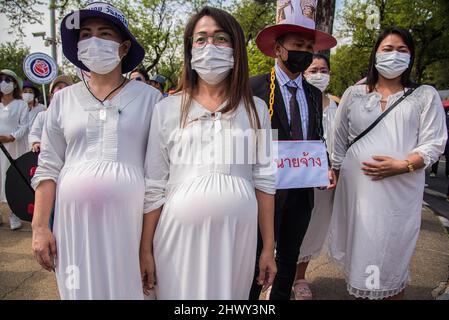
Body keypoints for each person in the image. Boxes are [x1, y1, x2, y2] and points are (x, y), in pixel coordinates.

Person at [140, 6, 277, 299]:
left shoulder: (258, 111)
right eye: (200, 39)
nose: (210, 46)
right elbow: (154, 185)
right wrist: (145, 249)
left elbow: (265, 183)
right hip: (177, 240)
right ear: (190, 50)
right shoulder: (165, 110)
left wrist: (268, 248)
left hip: (236, 241)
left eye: (220, 38)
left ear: (236, 48)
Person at [31, 2, 161, 299]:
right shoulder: (63, 100)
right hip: (74, 226)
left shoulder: (151, 100)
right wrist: (40, 227)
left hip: (130, 227)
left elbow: (158, 175)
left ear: (124, 47)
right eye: (86, 34)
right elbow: (48, 166)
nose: (94, 40)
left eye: (105, 34)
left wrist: (148, 244)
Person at [329, 27, 447, 300]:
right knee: (362, 250)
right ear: (375, 54)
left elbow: (434, 143)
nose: (394, 55)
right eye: (387, 49)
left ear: (411, 56)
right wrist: (333, 171)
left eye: (402, 50)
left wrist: (403, 165)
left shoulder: (424, 95)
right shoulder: (353, 93)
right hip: (356, 189)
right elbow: (338, 138)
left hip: (399, 190)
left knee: (391, 253)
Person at [249, 0, 337, 300]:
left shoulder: (313, 94)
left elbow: (316, 136)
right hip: (263, 192)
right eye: (298, 44)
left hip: (300, 192)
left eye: (309, 47)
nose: (304, 51)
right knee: (255, 258)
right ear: (278, 49)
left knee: (289, 257)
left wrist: (323, 165)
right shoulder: (254, 88)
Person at [293, 53, 338, 300]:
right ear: (304, 73)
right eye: (313, 70)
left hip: (324, 185)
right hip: (294, 179)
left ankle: (300, 277)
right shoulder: (295, 101)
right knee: (285, 229)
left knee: (313, 229)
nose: (319, 75)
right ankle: (273, 279)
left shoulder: (337, 107)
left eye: (324, 70)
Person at [0, 69, 28, 230]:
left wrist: (11, 137)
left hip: (13, 148)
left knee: (12, 178)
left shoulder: (21, 104)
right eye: (1, 79)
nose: (4, 82)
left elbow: (24, 125)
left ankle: (14, 214)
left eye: (8, 80)